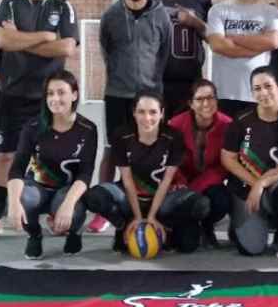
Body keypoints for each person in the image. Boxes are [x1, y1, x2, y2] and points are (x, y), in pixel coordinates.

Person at [0, 0, 78, 242]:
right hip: (14, 94)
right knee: (5, 156)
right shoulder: (8, 3)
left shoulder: (63, 6)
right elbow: (2, 39)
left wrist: (20, 40)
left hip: (52, 99)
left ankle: (53, 211)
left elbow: (67, 47)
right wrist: (45, 37)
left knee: (55, 157)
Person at [85, 91, 211, 255]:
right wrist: (138, 218)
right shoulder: (122, 135)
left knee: (200, 208)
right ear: (134, 113)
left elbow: (166, 181)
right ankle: (125, 225)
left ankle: (168, 225)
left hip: (163, 198)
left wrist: (151, 217)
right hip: (131, 198)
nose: (147, 118)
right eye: (141, 112)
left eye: (153, 112)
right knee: (94, 196)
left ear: (162, 113)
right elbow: (127, 181)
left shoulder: (173, 137)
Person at [8, 70, 98, 259]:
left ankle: (74, 233)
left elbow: (86, 174)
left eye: (61, 92)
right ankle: (34, 235)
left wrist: (68, 204)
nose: (55, 98)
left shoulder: (88, 129)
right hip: (38, 187)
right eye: (50, 93)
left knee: (74, 208)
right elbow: (17, 168)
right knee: (22, 198)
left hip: (66, 190)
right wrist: (13, 203)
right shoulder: (33, 127)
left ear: (74, 95)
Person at [97, 0, 172, 183]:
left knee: (149, 150)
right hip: (118, 95)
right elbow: (106, 51)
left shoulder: (161, 16)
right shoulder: (110, 16)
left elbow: (164, 52)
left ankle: (144, 195)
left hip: (150, 96)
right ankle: (104, 196)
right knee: (112, 150)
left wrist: (153, 84)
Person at [220, 66, 278, 258]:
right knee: (251, 249)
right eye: (257, 88)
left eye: (268, 86)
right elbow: (227, 158)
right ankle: (240, 222)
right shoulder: (241, 120)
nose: (263, 93)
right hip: (245, 188)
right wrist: (254, 183)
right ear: (252, 93)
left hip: (276, 185)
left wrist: (261, 184)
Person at [207, 0, 278, 118]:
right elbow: (218, 45)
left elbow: (273, 42)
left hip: (258, 95)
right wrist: (257, 46)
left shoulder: (270, 12)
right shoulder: (217, 10)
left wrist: (233, 38)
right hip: (225, 94)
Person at [147, 0, 212, 116]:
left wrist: (195, 22)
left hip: (190, 81)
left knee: (187, 129)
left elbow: (213, 38)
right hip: (152, 80)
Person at [168, 79, 234, 249]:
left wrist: (197, 187)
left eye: (210, 98)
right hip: (179, 182)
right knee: (185, 245)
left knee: (221, 201)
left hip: (210, 180)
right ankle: (187, 224)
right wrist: (180, 182)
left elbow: (225, 165)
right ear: (190, 103)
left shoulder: (228, 125)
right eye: (199, 99)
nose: (206, 103)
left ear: (217, 100)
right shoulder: (174, 125)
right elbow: (170, 159)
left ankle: (207, 227)